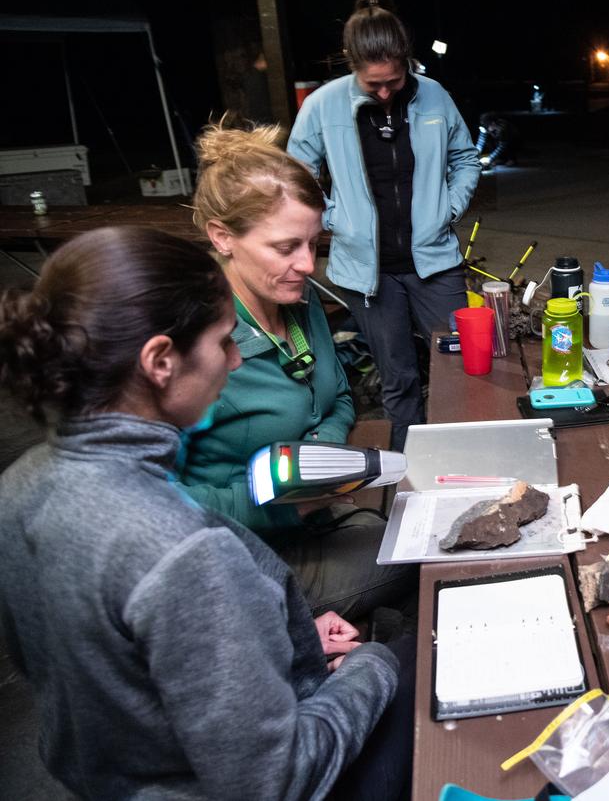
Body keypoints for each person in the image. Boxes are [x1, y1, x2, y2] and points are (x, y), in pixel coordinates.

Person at [0, 226, 413, 800]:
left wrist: (268, 636)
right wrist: (375, 665)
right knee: (421, 659)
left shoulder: (17, 487)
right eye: (223, 342)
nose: (237, 358)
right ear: (160, 361)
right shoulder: (184, 549)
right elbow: (279, 780)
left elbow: (113, 672)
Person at [179, 123, 415, 621]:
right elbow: (150, 501)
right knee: (422, 558)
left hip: (314, 518)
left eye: (314, 243)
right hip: (241, 558)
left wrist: (312, 455)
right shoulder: (195, 345)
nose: (308, 265)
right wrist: (277, 503)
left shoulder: (298, 304)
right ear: (222, 237)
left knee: (422, 529)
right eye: (286, 248)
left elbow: (341, 397)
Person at [288, 0, 481, 450]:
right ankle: (409, 468)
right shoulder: (322, 106)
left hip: (435, 263)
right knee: (398, 378)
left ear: (406, 63)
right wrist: (335, 218)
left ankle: (469, 453)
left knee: (461, 364)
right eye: (372, 84)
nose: (384, 91)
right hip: (366, 273)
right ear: (351, 65)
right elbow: (294, 176)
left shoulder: (434, 96)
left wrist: (448, 208)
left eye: (393, 81)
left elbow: (466, 159)